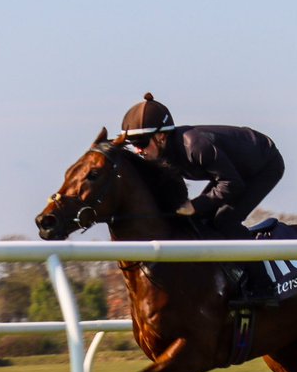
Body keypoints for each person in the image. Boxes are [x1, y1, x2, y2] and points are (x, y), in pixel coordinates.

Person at [119, 92, 285, 299]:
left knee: (225, 220)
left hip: (264, 165)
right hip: (232, 171)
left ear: (161, 136)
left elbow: (232, 184)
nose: (138, 150)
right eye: (133, 144)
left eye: (142, 143)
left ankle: (264, 285)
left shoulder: (195, 147)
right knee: (199, 219)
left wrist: (196, 205)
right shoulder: (162, 153)